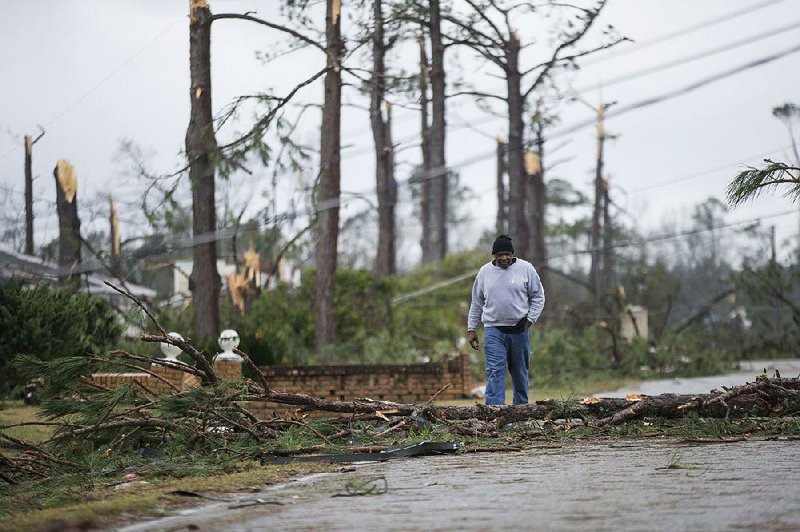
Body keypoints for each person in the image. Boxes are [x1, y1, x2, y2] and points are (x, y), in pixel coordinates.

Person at [467, 235, 545, 405]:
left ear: (512, 254)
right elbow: (477, 302)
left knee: (519, 371)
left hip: (519, 329)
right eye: (500, 254)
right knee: (495, 370)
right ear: (494, 255)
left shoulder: (526, 269)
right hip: (493, 329)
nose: (504, 258)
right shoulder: (484, 272)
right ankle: (495, 410)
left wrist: (530, 319)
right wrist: (471, 328)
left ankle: (521, 408)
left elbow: (538, 296)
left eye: (507, 254)